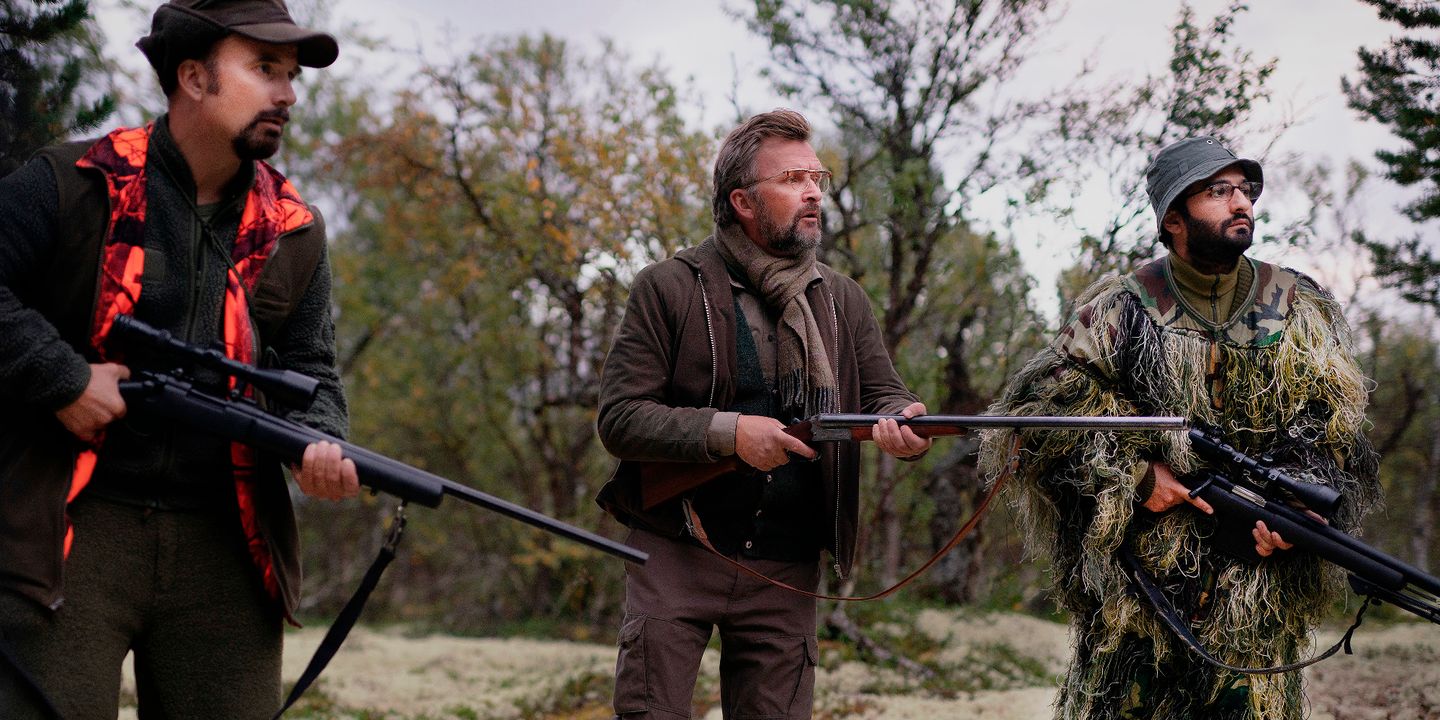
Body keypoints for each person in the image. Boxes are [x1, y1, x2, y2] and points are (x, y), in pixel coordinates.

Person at [0, 1, 360, 716]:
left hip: (225, 542)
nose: (287, 94)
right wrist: (64, 379)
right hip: (69, 527)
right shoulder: (70, 181)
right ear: (193, 78)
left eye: (291, 75)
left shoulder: (295, 230)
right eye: (265, 68)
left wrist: (320, 442)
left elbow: (313, 368)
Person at [978, 136, 1381, 719]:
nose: (1241, 203)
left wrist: (1295, 504)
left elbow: (1332, 424)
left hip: (1255, 594)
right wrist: (1136, 476)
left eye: (1245, 190)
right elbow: (1041, 416)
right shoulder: (1121, 309)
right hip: (1138, 591)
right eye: (1218, 191)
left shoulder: (1297, 304)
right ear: (1173, 218)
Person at [594, 109, 932, 719]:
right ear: (742, 201)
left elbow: (885, 395)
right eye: (792, 179)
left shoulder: (843, 299)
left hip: (787, 564)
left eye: (817, 178)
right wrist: (730, 434)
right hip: (679, 549)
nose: (813, 192)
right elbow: (620, 418)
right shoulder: (667, 287)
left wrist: (902, 426)